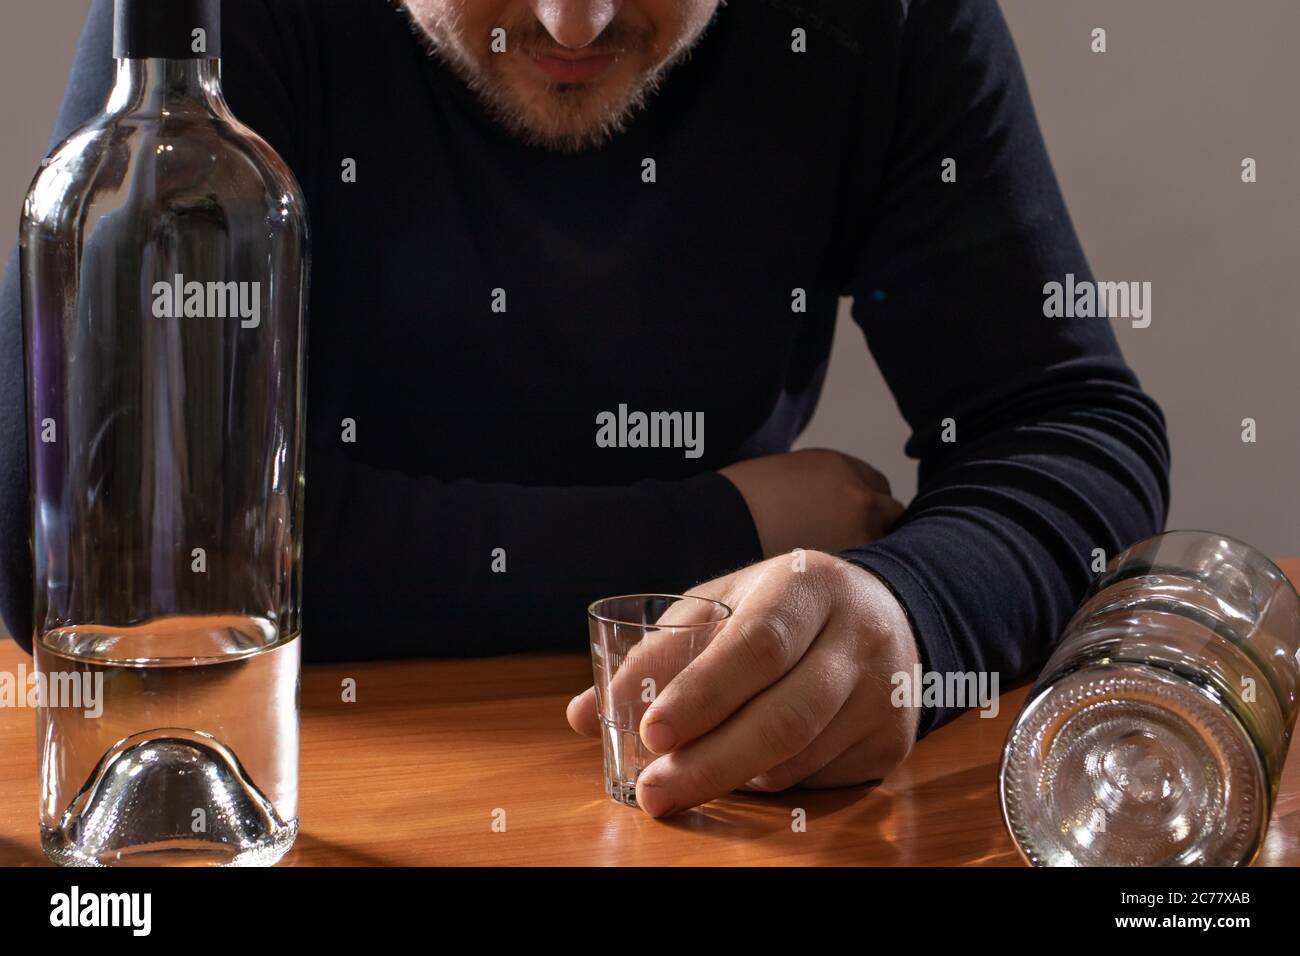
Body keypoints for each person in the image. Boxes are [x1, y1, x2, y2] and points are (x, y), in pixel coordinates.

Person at [0, 0, 1169, 818]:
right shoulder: (212, 23)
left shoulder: (880, 20)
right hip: (292, 797)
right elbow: (74, 535)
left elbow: (1067, 424)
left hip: (706, 800)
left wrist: (909, 617)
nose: (573, 22)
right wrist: (727, 527)